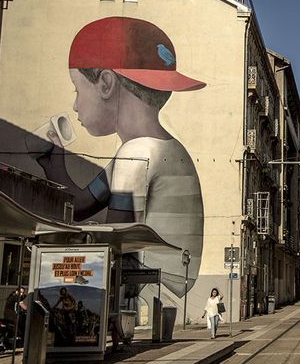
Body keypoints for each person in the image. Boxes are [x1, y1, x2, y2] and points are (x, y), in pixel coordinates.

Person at [35, 17, 205, 296]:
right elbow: (80, 204)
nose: (75, 106)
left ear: (105, 83)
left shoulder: (136, 154)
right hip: (170, 287)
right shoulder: (150, 151)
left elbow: (116, 240)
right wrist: (53, 162)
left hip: (149, 291)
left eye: (78, 90)